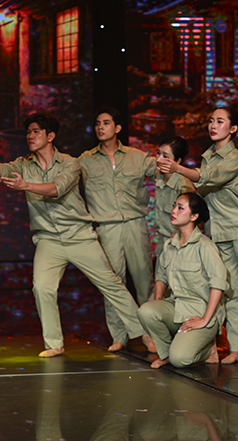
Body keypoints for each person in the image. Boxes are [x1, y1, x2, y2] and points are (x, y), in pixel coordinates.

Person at [0, 113, 154, 357]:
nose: (30, 136)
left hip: (78, 235)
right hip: (48, 239)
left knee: (111, 284)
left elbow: (57, 189)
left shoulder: (69, 163)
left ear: (50, 136)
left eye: (36, 132)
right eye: (28, 132)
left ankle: (143, 333)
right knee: (42, 287)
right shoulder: (23, 164)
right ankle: (54, 343)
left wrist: (26, 186)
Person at [157, 106, 238, 364]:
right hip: (219, 234)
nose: (213, 125)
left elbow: (209, 178)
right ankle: (237, 348)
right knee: (231, 293)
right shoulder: (208, 157)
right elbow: (202, 183)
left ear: (233, 128)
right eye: (211, 121)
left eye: (220, 121)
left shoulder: (234, 158)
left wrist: (178, 168)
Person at [78, 107, 157, 352]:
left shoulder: (137, 156)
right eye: (97, 123)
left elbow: (164, 172)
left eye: (106, 123)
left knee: (144, 280)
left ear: (118, 128)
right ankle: (119, 335)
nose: (100, 127)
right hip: (107, 227)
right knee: (113, 282)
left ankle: (152, 333)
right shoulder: (85, 160)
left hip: (136, 224)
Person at [137, 192, 228, 369]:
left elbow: (219, 285)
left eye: (180, 208)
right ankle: (166, 354)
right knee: (146, 311)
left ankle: (207, 349)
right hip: (177, 307)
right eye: (174, 206)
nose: (173, 211)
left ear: (194, 216)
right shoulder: (169, 245)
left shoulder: (205, 246)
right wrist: (158, 301)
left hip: (200, 312)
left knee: (180, 360)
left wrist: (205, 319)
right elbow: (161, 276)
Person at [154, 136, 196, 259]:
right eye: (158, 153)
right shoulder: (159, 178)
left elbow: (192, 219)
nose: (159, 159)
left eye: (165, 156)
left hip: (178, 244)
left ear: (177, 161)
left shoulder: (183, 184)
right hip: (162, 242)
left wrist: (178, 234)